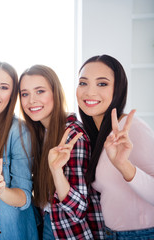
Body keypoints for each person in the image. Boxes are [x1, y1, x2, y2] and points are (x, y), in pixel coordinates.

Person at [19, 64, 104, 240]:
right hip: (50, 223)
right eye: (25, 94)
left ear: (55, 93)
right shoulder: (40, 134)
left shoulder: (72, 136)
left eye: (40, 91)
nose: (31, 100)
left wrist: (57, 171)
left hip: (71, 232)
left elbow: (78, 210)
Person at [77, 54, 154, 239]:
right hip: (110, 233)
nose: (90, 92)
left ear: (118, 89)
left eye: (102, 84)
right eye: (83, 83)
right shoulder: (95, 134)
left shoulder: (132, 127)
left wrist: (124, 166)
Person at [0, 61, 38, 240]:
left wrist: (1, 191)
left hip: (15, 230)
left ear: (12, 94)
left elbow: (24, 198)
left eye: (3, 87)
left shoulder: (19, 132)